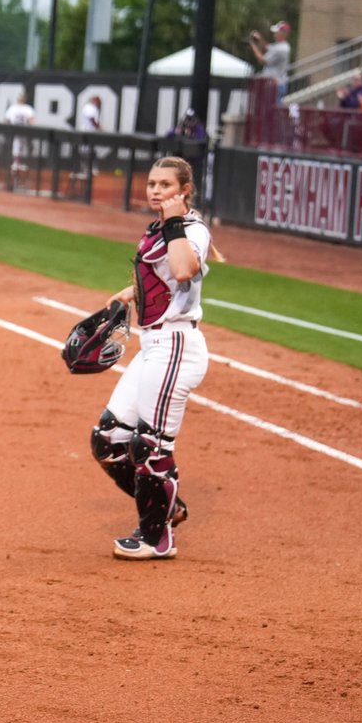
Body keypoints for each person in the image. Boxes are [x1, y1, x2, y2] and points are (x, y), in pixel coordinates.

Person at [89, 156, 224, 561]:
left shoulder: (191, 229)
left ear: (184, 191)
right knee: (108, 441)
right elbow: (156, 274)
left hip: (177, 348)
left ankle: (157, 537)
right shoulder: (157, 229)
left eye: (165, 185)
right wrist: (128, 294)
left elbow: (183, 270)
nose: (155, 191)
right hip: (152, 348)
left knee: (149, 444)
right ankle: (166, 506)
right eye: (152, 183)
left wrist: (175, 221)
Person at [249, 20, 292, 101]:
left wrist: (253, 46)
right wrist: (259, 38)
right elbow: (266, 47)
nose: (274, 34)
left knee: (271, 111)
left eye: (277, 32)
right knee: (270, 110)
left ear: (283, 33)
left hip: (275, 85)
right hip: (274, 85)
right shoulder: (280, 46)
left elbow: (262, 60)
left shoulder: (281, 49)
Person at [4, 90, 35, 171]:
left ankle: (20, 163)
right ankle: (16, 163)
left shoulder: (27, 108)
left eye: (22, 98)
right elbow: (7, 120)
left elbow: (32, 120)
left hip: (23, 129)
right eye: (20, 98)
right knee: (17, 144)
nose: (21, 99)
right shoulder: (15, 108)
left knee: (22, 145)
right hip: (18, 129)